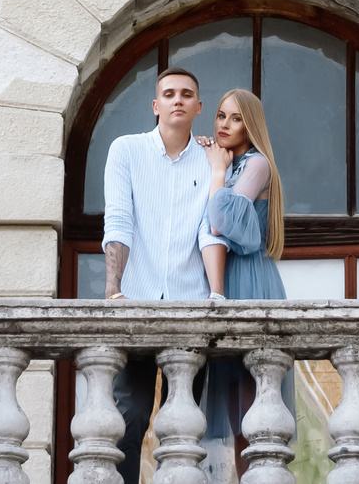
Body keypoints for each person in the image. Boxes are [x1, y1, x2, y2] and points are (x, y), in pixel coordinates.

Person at [101, 66, 212, 484]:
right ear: (155, 105)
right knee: (127, 419)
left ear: (198, 107)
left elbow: (210, 231)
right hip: (136, 301)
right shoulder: (126, 150)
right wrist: (114, 291)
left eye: (186, 94)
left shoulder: (211, 156)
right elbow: (119, 219)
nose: (177, 99)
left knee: (183, 427)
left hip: (193, 306)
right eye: (168, 94)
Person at [198, 89, 292, 476]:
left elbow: (223, 220)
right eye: (221, 116)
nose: (224, 125)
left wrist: (216, 171)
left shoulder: (256, 165)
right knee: (235, 403)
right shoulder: (226, 158)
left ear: (250, 124)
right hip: (224, 276)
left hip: (250, 278)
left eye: (235, 118)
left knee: (255, 401)